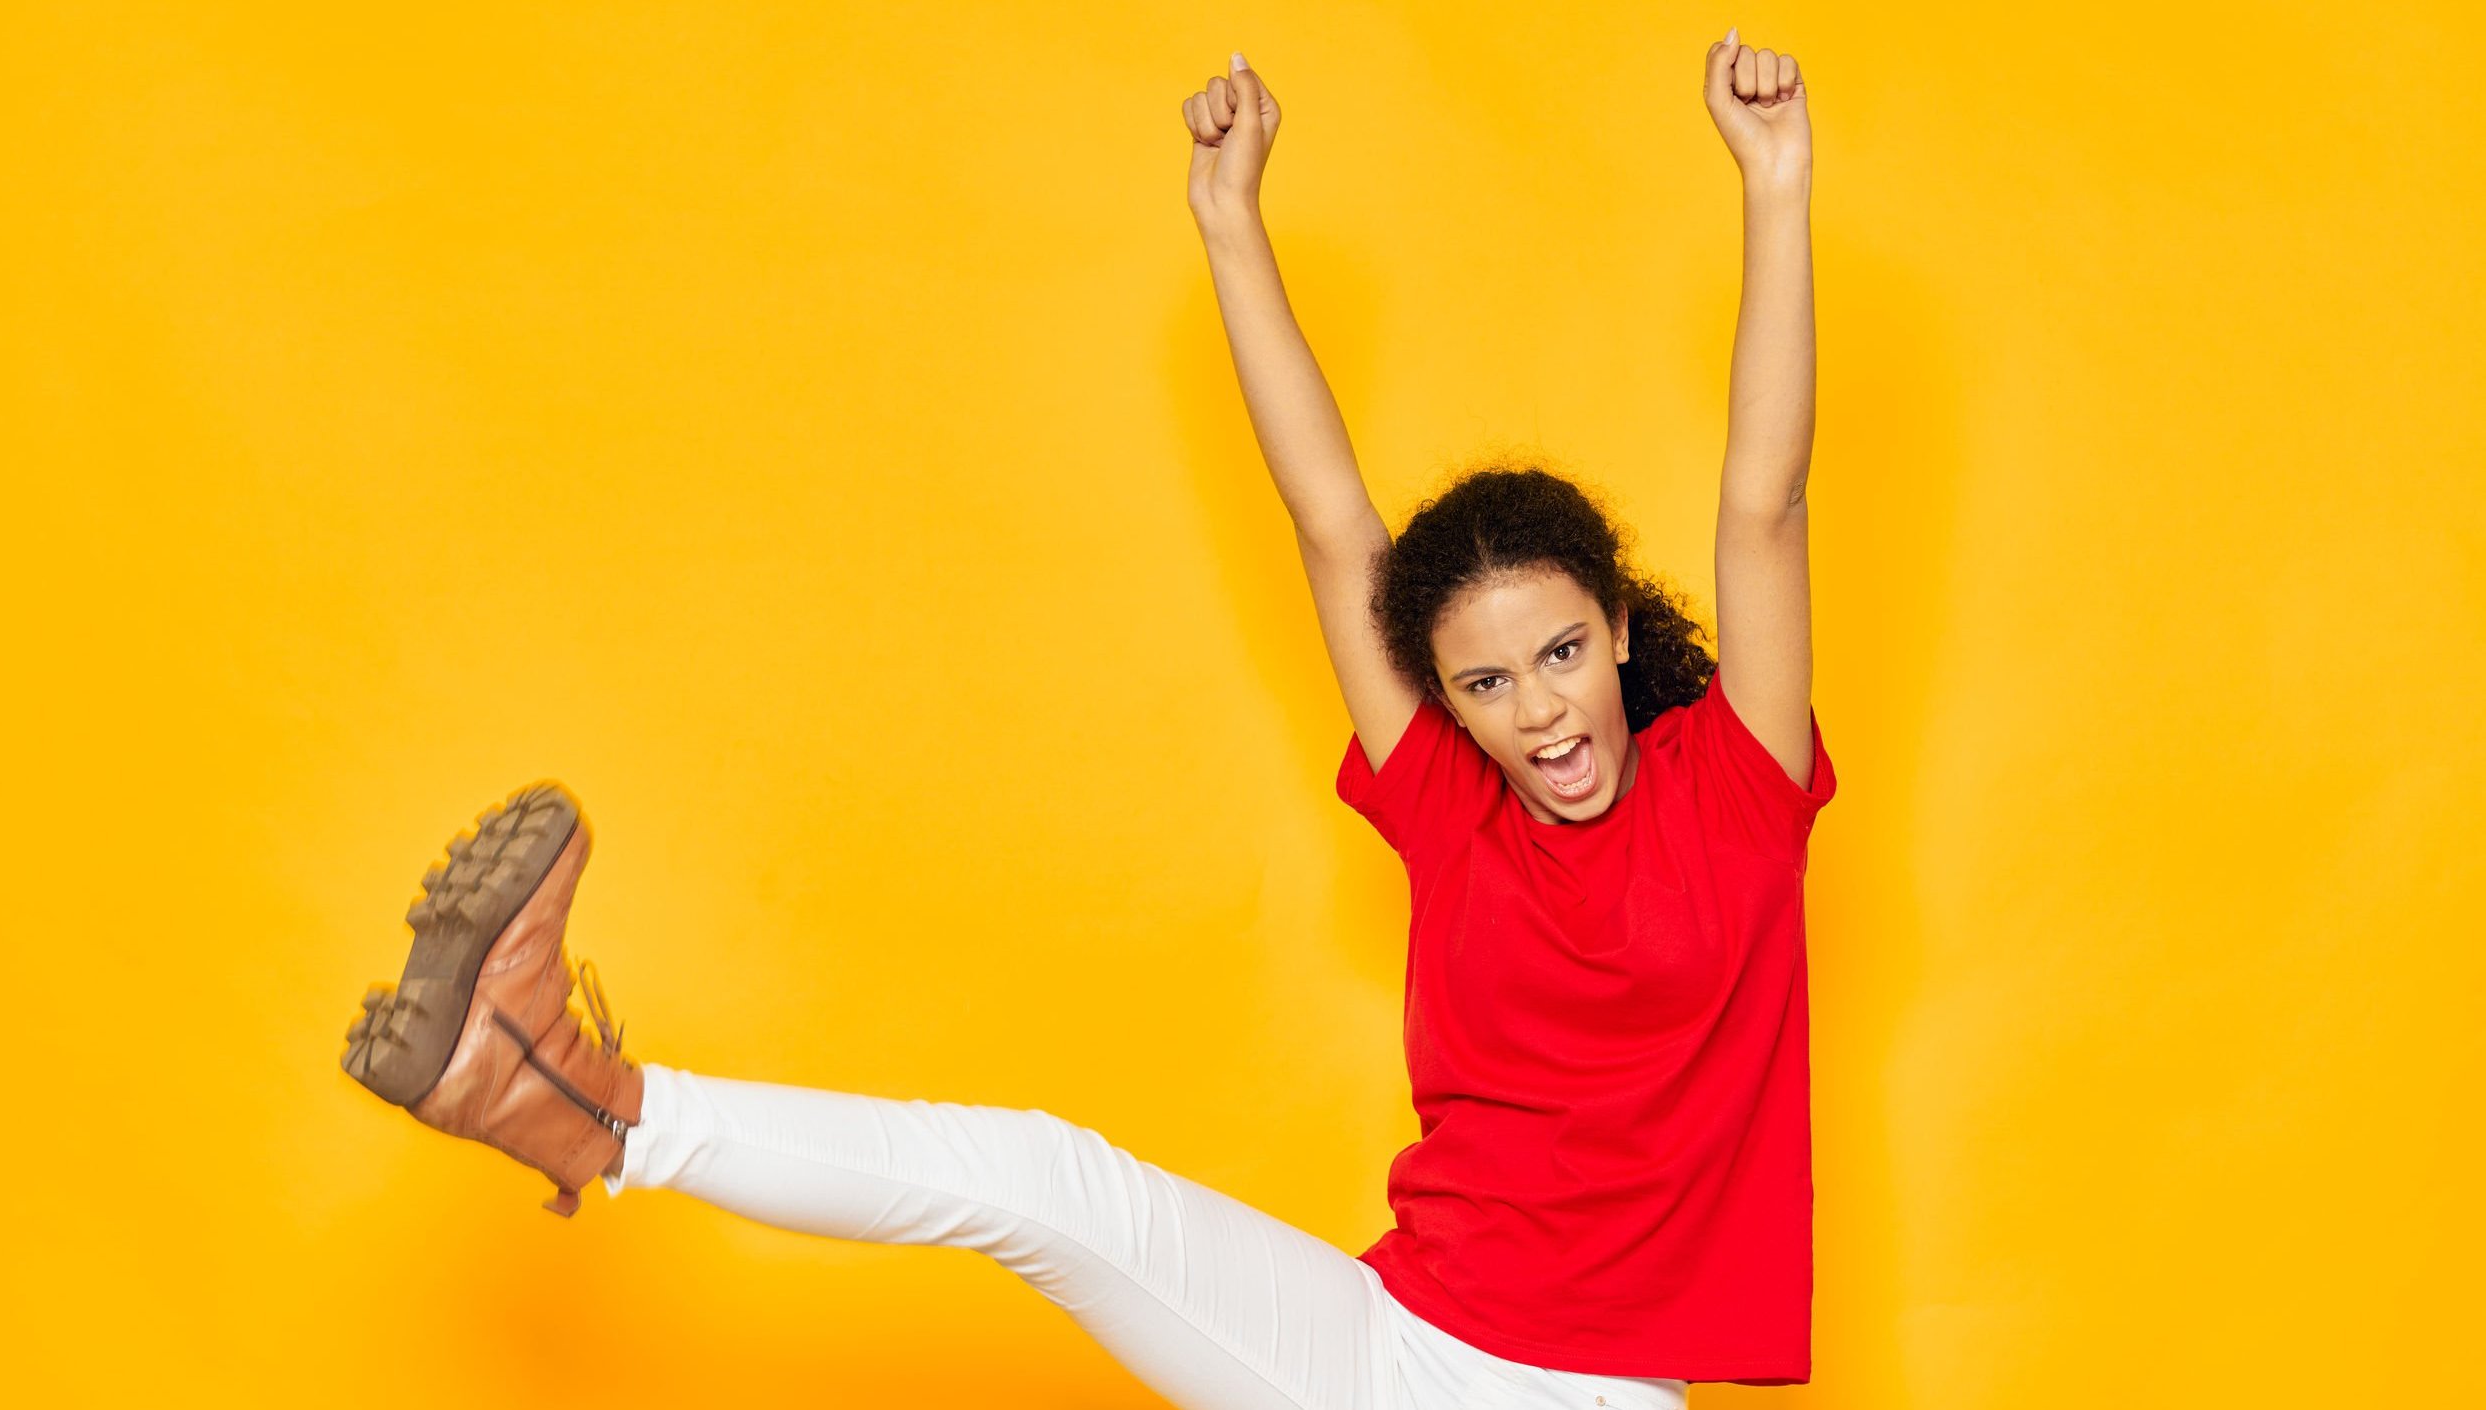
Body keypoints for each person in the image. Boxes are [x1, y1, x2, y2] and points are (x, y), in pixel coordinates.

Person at [340, 30, 1823, 1409]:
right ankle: (581, 1102)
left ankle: (567, 1096)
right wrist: (1230, 220)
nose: (1538, 711)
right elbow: (1329, 524)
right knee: (1040, 1180)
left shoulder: (1737, 791)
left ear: (1622, 628)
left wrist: (1776, 182)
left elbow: (1765, 502)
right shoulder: (1450, 798)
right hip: (1386, 1335)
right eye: (1485, 684)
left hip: (1582, 1393)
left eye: (1562, 653)